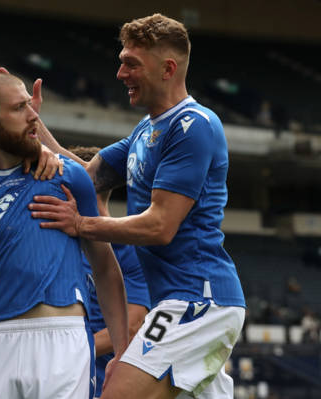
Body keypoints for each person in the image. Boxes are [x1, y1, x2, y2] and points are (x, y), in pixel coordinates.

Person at [30, 14, 246, 399]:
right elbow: (86, 177)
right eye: (121, 60)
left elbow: (159, 227)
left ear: (167, 69)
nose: (119, 73)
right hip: (181, 299)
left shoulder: (192, 125)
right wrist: (32, 127)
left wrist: (80, 225)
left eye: (131, 63)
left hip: (197, 300)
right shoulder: (146, 130)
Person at [0, 73, 128, 399]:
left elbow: (105, 266)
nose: (34, 114)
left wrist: (122, 353)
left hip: (65, 339)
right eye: (19, 108)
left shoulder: (67, 176)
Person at [69, 145, 150, 398]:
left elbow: (133, 324)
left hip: (101, 381)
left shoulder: (130, 247)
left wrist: (66, 353)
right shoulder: (52, 236)